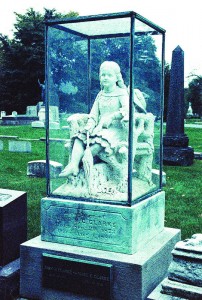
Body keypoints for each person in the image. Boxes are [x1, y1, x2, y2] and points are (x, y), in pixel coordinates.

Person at [59, 61, 129, 178]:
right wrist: (90, 125)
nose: (105, 77)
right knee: (79, 138)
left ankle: (84, 163)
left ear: (116, 78)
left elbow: (127, 110)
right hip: (99, 129)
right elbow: (94, 114)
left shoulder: (121, 93)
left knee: (96, 145)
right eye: (103, 75)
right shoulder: (100, 94)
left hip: (115, 130)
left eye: (109, 75)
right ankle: (73, 165)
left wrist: (112, 117)